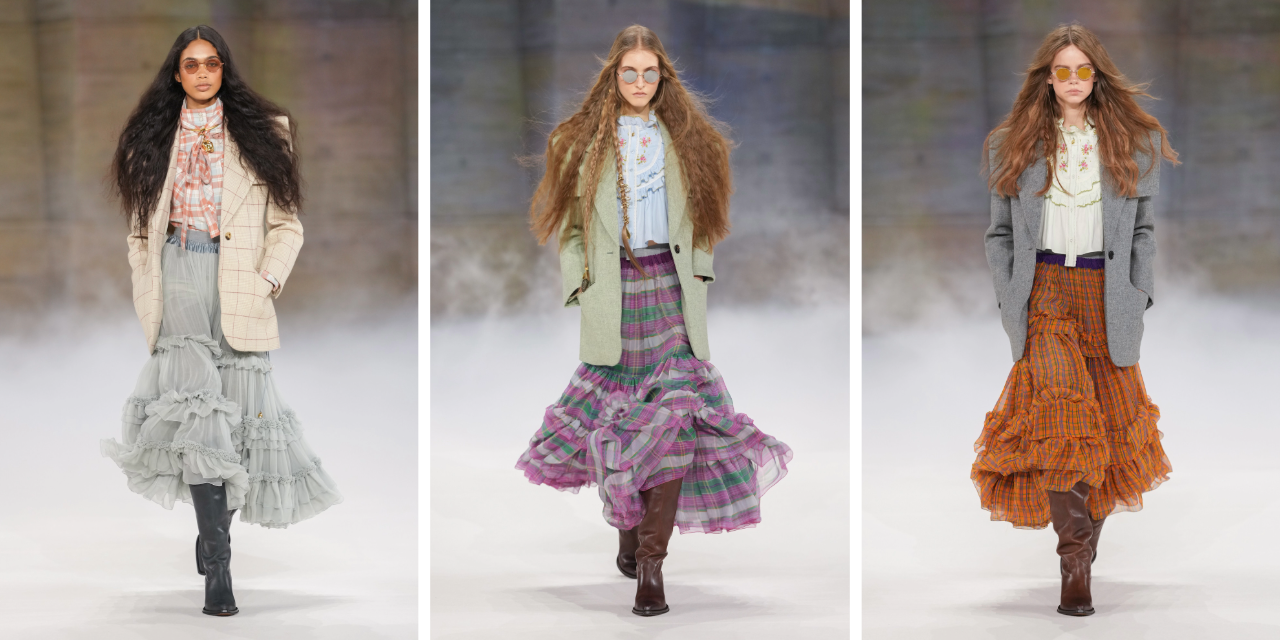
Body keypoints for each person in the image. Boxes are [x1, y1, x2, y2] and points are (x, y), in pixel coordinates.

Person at [514, 24, 793, 617]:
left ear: (663, 77)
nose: (639, 82)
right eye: (629, 72)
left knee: (674, 419)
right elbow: (570, 229)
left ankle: (650, 563)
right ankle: (628, 528)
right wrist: (581, 286)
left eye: (649, 72)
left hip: (669, 291)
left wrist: (699, 271)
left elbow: (707, 220)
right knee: (617, 421)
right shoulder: (576, 142)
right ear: (612, 77)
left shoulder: (693, 141)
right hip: (613, 292)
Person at [102, 25, 342, 617]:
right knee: (200, 415)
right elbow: (139, 230)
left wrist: (267, 282)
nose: (203, 73)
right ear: (176, 74)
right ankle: (219, 562)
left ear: (224, 69)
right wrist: (146, 279)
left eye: (212, 63)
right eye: (191, 65)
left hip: (240, 284)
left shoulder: (266, 131)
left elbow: (287, 225)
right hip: (177, 274)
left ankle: (212, 535)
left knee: (239, 422)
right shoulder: (151, 136)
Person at [972, 23, 1178, 616]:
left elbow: (1142, 230)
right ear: (1046, 77)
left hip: (1107, 293)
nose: (1072, 80)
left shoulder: (1134, 142)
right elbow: (999, 233)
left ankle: (1083, 548)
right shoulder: (1011, 143)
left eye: (1082, 70)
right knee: (1063, 417)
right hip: (1044, 294)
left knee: (1107, 428)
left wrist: (1139, 292)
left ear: (1096, 75)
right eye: (1060, 70)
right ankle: (1075, 564)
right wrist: (1010, 293)